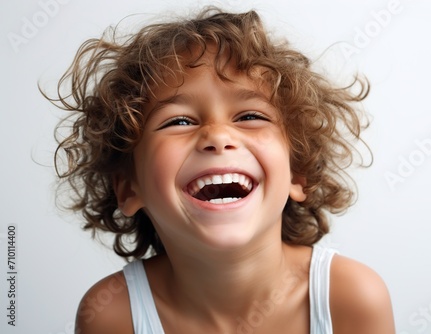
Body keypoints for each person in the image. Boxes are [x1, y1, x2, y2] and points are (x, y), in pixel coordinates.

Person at [46, 7, 394, 334]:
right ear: (128, 189)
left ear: (297, 173)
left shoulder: (349, 299)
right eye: (178, 121)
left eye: (249, 116)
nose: (218, 136)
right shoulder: (112, 315)